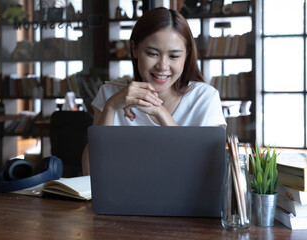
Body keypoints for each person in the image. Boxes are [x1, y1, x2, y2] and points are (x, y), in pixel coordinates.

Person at [82, 7, 226, 175]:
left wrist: (160, 112)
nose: (163, 66)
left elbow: (202, 173)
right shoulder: (110, 94)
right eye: (152, 53)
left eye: (174, 56)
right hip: (123, 199)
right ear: (135, 49)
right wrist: (111, 106)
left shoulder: (204, 98)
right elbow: (91, 173)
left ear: (186, 56)